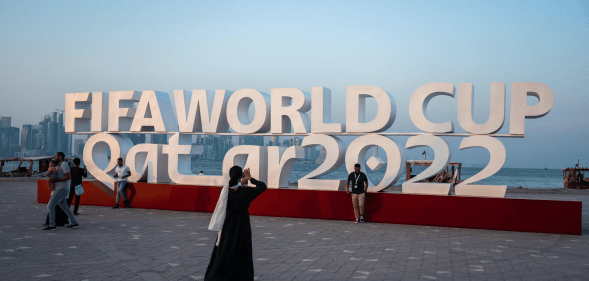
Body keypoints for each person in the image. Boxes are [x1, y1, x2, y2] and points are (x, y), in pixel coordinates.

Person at [205, 166, 267, 281]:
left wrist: (240, 182)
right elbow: (263, 186)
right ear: (241, 176)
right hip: (242, 223)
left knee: (225, 248)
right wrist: (250, 178)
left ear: (229, 176)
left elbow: (231, 187)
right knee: (242, 250)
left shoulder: (224, 191)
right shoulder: (246, 191)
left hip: (228, 222)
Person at [43, 152, 79, 230]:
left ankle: (52, 225)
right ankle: (74, 222)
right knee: (65, 207)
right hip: (60, 188)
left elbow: (68, 176)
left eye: (56, 156)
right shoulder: (58, 165)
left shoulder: (63, 164)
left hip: (61, 188)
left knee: (50, 205)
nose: (54, 157)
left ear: (60, 157)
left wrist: (57, 179)